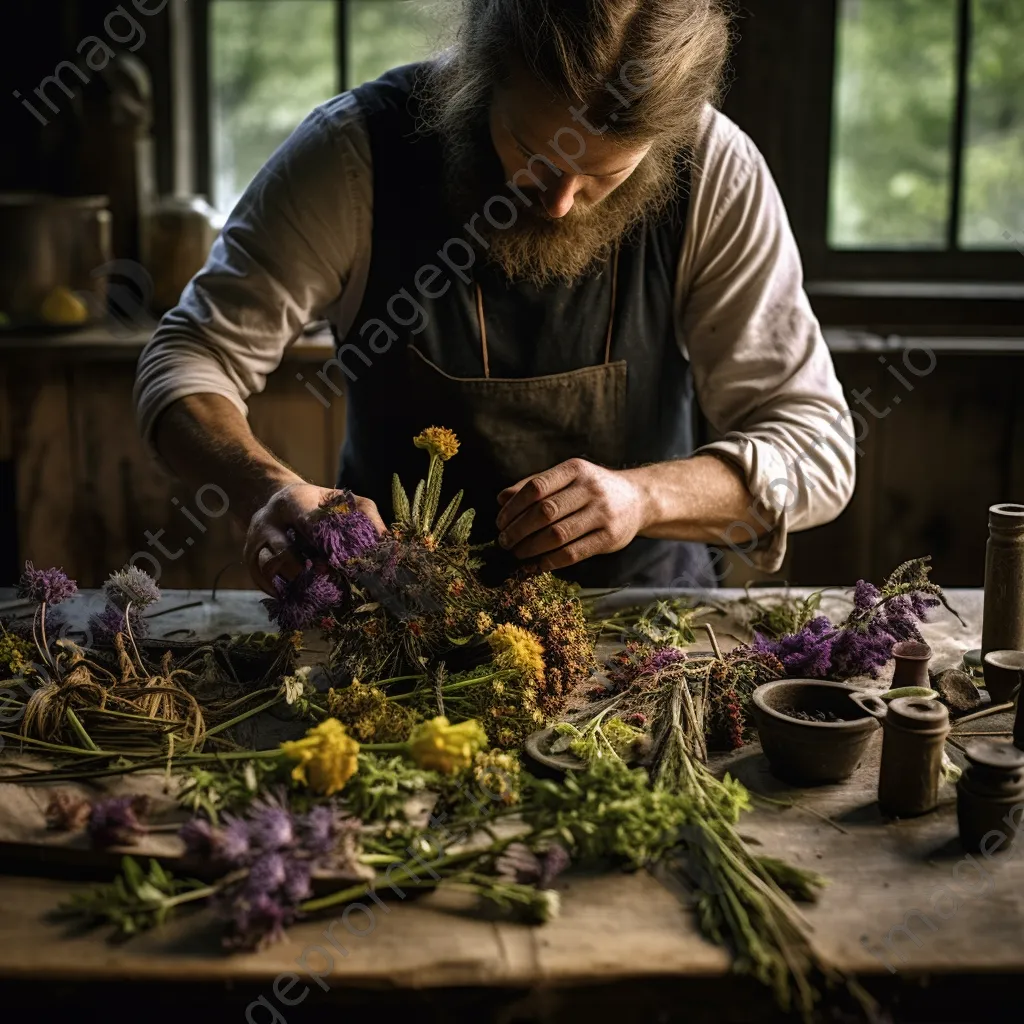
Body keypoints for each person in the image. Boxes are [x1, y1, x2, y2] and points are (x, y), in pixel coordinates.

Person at [135, 0, 855, 595]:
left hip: (641, 635)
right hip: (389, 630)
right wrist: (264, 486)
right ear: (481, 73)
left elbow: (818, 451)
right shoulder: (353, 157)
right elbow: (188, 357)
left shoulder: (716, 172)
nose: (562, 204)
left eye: (604, 177)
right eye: (533, 154)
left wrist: (645, 498)